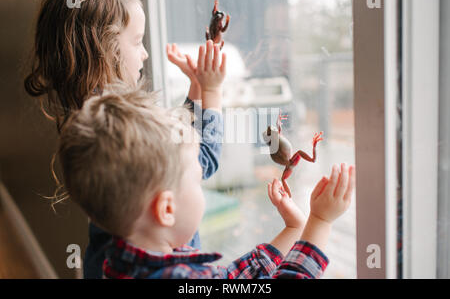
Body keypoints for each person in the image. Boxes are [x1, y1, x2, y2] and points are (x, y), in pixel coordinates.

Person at [23, 0, 225, 278]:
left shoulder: (95, 119)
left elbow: (174, 147)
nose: (144, 53)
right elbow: (201, 160)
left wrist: (196, 88)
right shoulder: (124, 125)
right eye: (136, 41)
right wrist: (213, 92)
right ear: (104, 47)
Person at [57, 89, 356, 279]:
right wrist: (320, 222)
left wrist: (293, 230)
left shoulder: (127, 260)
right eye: (197, 180)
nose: (202, 183)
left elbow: (228, 280)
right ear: (166, 209)